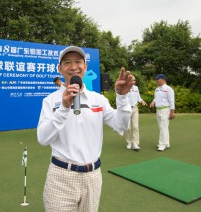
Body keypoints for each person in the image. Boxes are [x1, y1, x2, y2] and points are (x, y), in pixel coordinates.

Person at [37, 46, 134, 212]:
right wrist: (63, 108)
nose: (74, 66)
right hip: (61, 176)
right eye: (67, 62)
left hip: (93, 176)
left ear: (85, 67)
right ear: (60, 69)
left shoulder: (98, 100)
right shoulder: (50, 101)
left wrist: (122, 97)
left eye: (78, 62)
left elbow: (121, 125)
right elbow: (43, 138)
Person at [149, 74, 175, 152]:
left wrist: (172, 112)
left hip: (165, 110)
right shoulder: (157, 89)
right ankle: (166, 143)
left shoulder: (168, 89)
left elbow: (171, 101)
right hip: (158, 110)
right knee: (162, 127)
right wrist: (153, 102)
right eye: (156, 79)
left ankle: (162, 144)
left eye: (158, 79)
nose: (156, 81)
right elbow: (156, 98)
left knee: (163, 127)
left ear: (163, 79)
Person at [125, 79, 147, 151]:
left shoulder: (136, 88)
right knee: (127, 127)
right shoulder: (125, 88)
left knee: (135, 126)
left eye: (134, 80)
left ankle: (135, 143)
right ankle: (129, 142)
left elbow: (138, 97)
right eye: (132, 80)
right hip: (127, 109)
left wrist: (142, 101)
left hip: (135, 108)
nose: (133, 81)